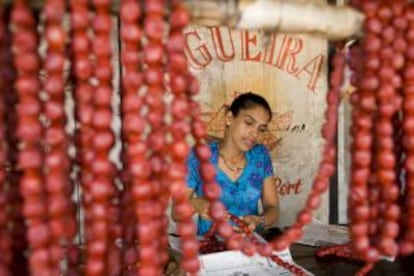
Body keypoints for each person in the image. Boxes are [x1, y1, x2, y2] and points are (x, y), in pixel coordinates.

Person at [173, 92, 279, 236]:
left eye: (261, 129)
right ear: (229, 118)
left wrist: (259, 220)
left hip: (249, 245)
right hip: (211, 249)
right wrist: (196, 204)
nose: (254, 134)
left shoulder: (260, 156)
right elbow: (176, 213)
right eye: (249, 123)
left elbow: (272, 207)